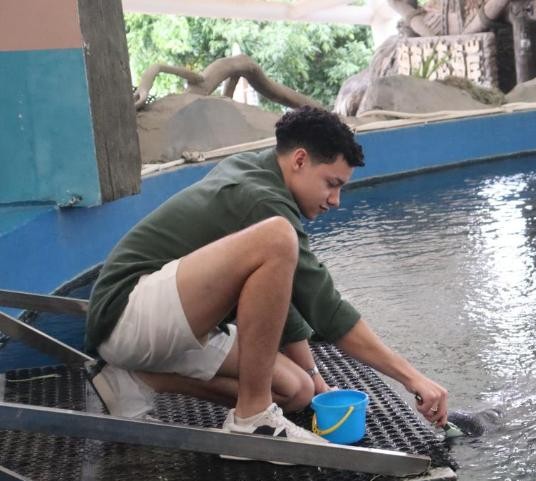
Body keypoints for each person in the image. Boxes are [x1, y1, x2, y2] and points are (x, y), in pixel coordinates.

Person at [85, 106, 449, 449]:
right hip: (125, 312)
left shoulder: (258, 171)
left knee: (298, 391)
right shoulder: (262, 201)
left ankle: (138, 379)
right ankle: (252, 418)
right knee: (278, 236)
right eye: (331, 183)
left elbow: (280, 299)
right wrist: (411, 378)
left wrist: (314, 376)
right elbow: (325, 308)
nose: (335, 200)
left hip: (168, 319)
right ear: (300, 160)